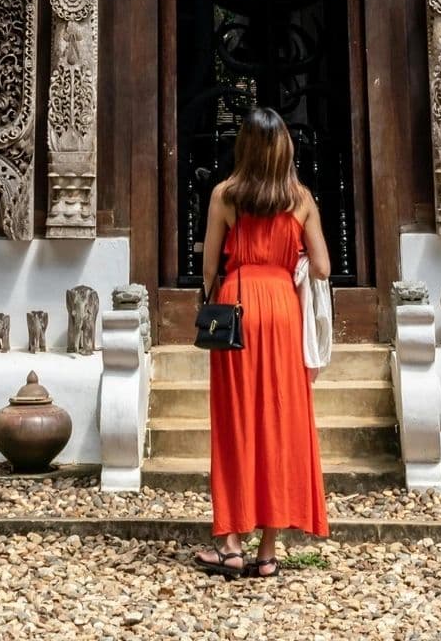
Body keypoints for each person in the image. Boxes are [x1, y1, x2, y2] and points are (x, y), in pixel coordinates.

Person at [195, 106, 330, 579]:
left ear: (245, 146)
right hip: (281, 309)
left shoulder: (224, 195)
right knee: (279, 418)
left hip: (235, 306)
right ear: (284, 148)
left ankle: (231, 543)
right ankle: (268, 551)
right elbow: (323, 267)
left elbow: (209, 268)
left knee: (235, 422)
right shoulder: (301, 198)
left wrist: (222, 287)